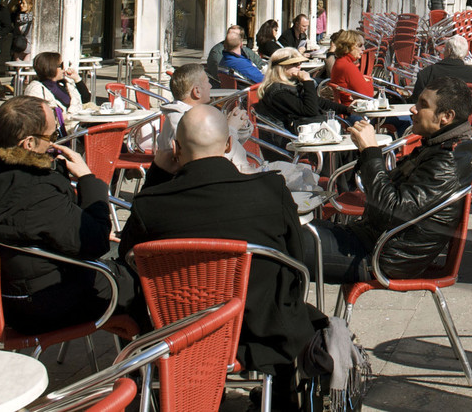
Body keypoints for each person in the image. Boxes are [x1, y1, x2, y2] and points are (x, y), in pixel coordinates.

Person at [119, 105, 324, 382]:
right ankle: (279, 397)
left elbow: (128, 262)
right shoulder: (270, 191)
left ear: (176, 150)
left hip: (177, 334)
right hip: (261, 333)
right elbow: (295, 263)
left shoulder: (151, 205)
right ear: (229, 143)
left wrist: (157, 174)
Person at [0, 95, 136, 335]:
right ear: (29, 144)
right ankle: (152, 365)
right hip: (43, 304)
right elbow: (94, 242)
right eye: (52, 136)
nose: (55, 144)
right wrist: (88, 180)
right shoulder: (35, 189)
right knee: (145, 280)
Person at [310, 76, 472, 284]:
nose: (413, 110)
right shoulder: (440, 148)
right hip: (373, 241)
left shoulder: (446, 162)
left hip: (380, 257)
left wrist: (371, 151)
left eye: (422, 105)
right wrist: (368, 155)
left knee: (280, 242)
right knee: (283, 227)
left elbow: (391, 210)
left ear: (446, 116)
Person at [254, 49, 332, 134]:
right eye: (294, 64)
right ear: (281, 67)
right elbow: (310, 111)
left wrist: (346, 109)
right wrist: (307, 82)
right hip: (287, 140)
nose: (299, 66)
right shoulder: (278, 92)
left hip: (300, 132)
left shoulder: (292, 85)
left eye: (299, 63)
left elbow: (317, 102)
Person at [21, 51, 90, 137]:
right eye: (61, 66)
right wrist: (69, 117)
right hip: (61, 133)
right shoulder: (36, 89)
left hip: (77, 127)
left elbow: (86, 99)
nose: (64, 68)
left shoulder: (64, 83)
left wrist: (77, 79)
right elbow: (39, 118)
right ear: (51, 67)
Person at [412, 36, 472, 102]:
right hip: (466, 115)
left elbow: (416, 100)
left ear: (448, 51)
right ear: (465, 53)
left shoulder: (427, 73)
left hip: (436, 115)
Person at [324, 29, 375, 102]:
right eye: (360, 46)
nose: (363, 49)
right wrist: (369, 81)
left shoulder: (341, 61)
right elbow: (368, 94)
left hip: (346, 107)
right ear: (349, 46)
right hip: (351, 109)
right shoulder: (347, 66)